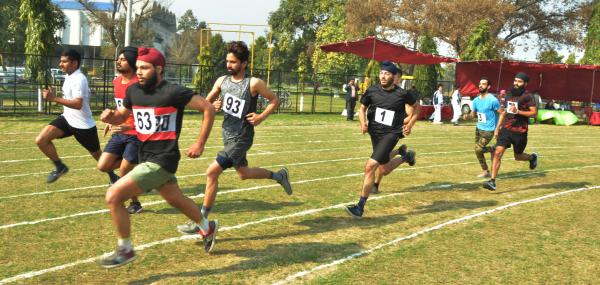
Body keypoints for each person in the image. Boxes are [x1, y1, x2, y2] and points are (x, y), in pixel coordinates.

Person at [98, 47, 217, 268]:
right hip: (146, 156)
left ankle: (125, 249)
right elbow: (122, 117)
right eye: (138, 68)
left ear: (159, 68)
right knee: (175, 199)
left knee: (113, 195)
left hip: (164, 158)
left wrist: (200, 143)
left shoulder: (173, 92)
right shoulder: (133, 91)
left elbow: (208, 108)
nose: (139, 71)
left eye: (145, 67)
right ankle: (206, 226)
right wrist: (110, 117)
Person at [177, 41, 292, 234]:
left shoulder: (254, 83)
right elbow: (206, 102)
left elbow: (275, 100)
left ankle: (201, 220)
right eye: (227, 61)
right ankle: (279, 175)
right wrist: (211, 106)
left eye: (233, 62)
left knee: (212, 172)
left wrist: (260, 117)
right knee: (243, 173)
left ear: (244, 63)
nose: (229, 65)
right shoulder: (222, 81)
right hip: (227, 135)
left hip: (242, 136)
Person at [345, 61, 418, 218]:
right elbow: (362, 109)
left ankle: (360, 207)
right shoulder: (372, 91)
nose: (383, 76)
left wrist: (410, 124)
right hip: (375, 133)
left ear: (394, 77)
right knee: (384, 169)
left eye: (386, 74)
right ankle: (405, 157)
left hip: (391, 134)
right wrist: (363, 123)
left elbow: (417, 108)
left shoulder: (402, 94)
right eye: (381, 73)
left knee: (370, 167)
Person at [35, 49, 118, 184]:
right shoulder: (69, 76)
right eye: (60, 61)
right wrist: (55, 96)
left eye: (64, 61)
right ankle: (60, 166)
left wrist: (54, 98)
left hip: (83, 125)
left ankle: (114, 177)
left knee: (98, 156)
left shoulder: (80, 79)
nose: (60, 64)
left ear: (74, 63)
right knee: (41, 140)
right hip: (67, 119)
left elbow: (78, 104)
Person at [96, 47, 144, 214]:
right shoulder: (116, 81)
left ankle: (135, 203)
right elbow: (121, 108)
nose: (118, 61)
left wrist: (130, 126)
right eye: (119, 59)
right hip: (120, 132)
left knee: (124, 170)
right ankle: (137, 163)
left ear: (131, 63)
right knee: (103, 165)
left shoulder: (139, 85)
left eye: (123, 59)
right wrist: (112, 120)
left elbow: (147, 113)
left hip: (136, 134)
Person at [483, 72, 539, 191]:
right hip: (506, 129)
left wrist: (518, 111)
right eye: (515, 80)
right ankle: (492, 181)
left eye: (519, 81)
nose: (516, 83)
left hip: (520, 131)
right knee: (497, 152)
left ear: (525, 83)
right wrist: (498, 128)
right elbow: (504, 112)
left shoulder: (528, 96)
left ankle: (532, 158)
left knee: (518, 156)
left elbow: (534, 113)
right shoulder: (508, 94)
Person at [464, 77, 500, 178]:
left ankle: (493, 149)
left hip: (489, 129)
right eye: (480, 83)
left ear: (488, 87)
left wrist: (497, 128)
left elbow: (502, 113)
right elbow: (473, 114)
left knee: (478, 149)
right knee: (478, 150)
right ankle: (486, 170)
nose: (480, 85)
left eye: (483, 84)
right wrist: (467, 116)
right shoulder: (475, 100)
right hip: (479, 128)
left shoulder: (493, 100)